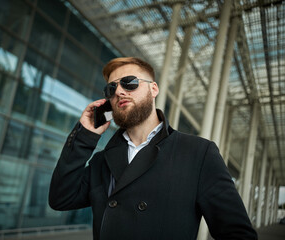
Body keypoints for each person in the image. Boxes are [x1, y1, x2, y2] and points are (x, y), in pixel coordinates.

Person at [49, 57, 257, 240]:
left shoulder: (198, 153)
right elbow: (61, 198)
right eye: (111, 89)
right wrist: (84, 136)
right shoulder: (102, 161)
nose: (119, 91)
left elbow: (237, 233)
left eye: (129, 83)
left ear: (153, 88)